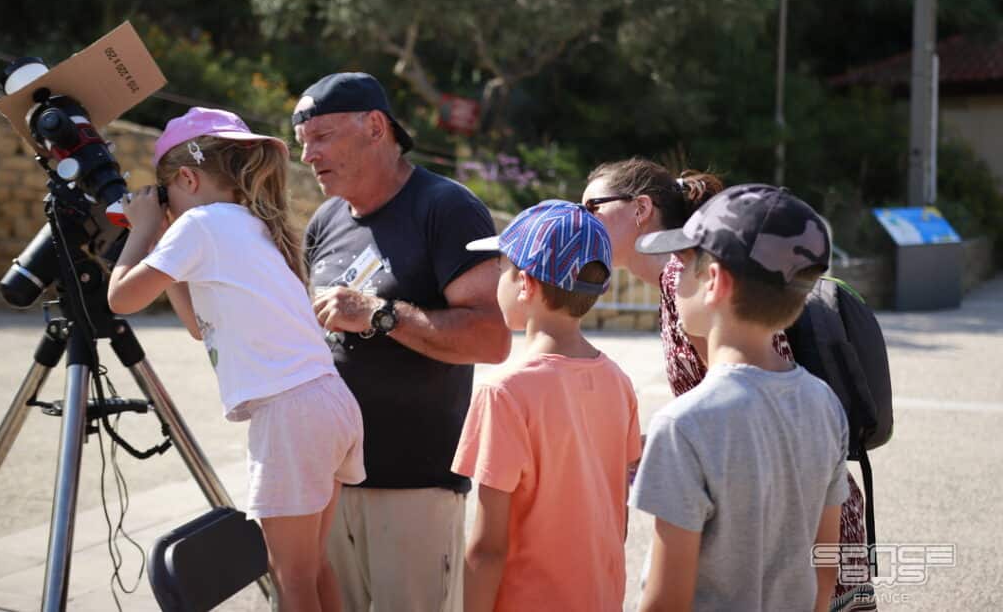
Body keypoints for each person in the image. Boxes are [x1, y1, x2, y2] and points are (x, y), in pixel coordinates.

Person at [582, 158, 875, 609]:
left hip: (770, 517)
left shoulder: (683, 279)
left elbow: (734, 401)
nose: (582, 220)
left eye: (592, 207)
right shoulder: (688, 277)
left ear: (640, 208)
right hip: (808, 510)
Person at [107, 107, 365, 611]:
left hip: (290, 414)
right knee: (312, 566)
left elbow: (120, 299)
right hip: (330, 404)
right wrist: (164, 246)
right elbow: (196, 327)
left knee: (289, 577)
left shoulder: (200, 225)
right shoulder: (251, 224)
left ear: (186, 178)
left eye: (171, 199)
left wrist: (140, 229)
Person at [292, 72, 511, 612]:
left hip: (414, 487)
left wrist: (379, 314)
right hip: (326, 482)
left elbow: (491, 336)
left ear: (374, 127)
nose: (307, 157)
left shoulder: (445, 208)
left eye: (321, 137)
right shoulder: (324, 220)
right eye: (302, 144)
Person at [451, 200, 641, 612]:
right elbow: (617, 521)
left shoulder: (502, 393)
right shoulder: (619, 383)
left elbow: (486, 549)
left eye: (501, 268)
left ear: (525, 284)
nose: (496, 279)